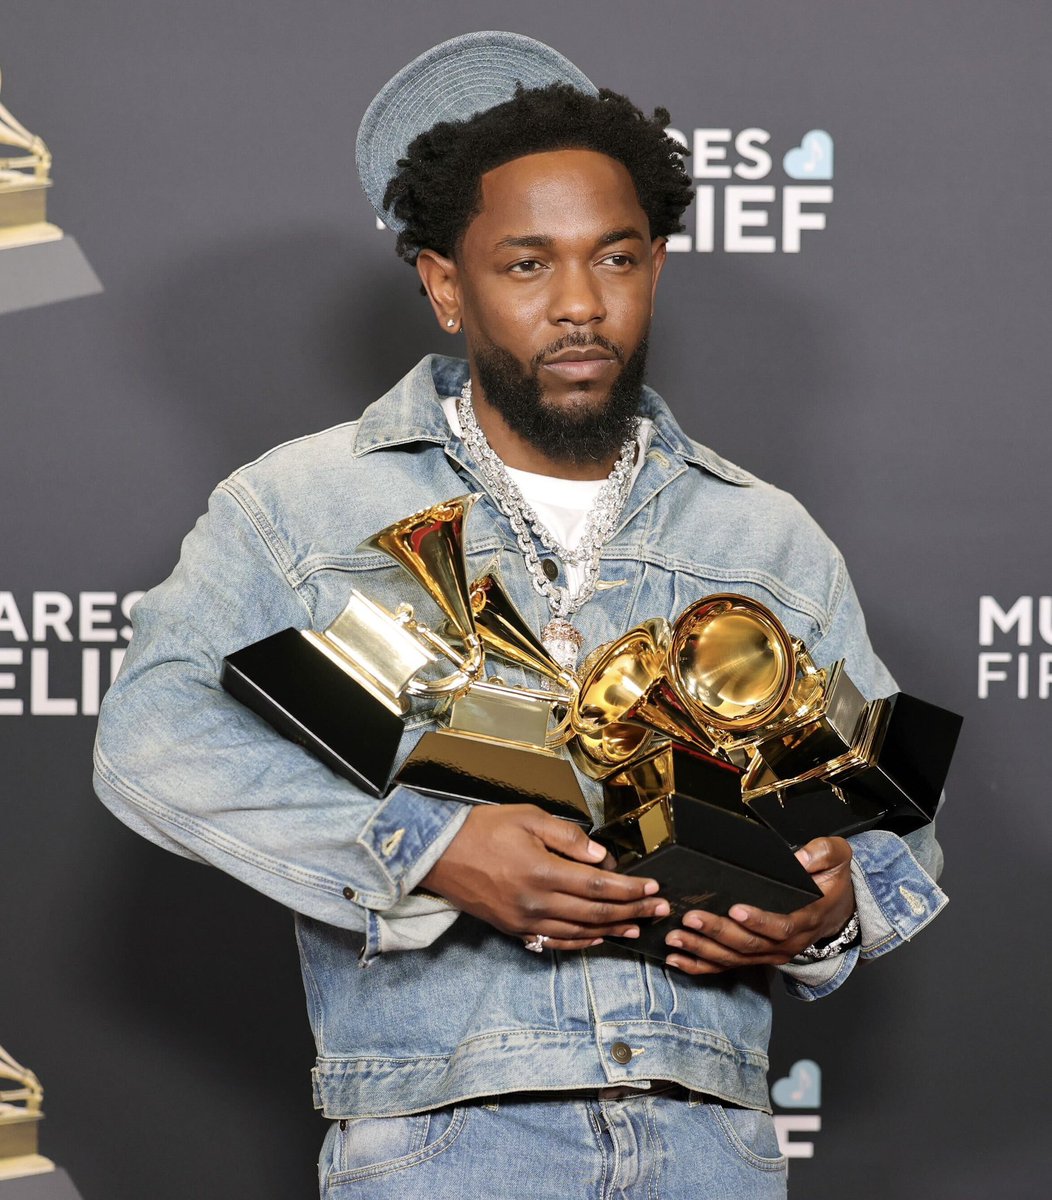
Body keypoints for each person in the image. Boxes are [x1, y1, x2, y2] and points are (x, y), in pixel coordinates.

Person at [93, 31, 946, 1199]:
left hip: (711, 1146)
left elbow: (891, 821)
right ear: (446, 286)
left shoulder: (765, 536)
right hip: (444, 1142)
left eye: (616, 259)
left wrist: (825, 909)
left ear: (655, 268)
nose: (582, 306)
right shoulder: (298, 505)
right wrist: (431, 850)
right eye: (528, 266)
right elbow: (150, 737)